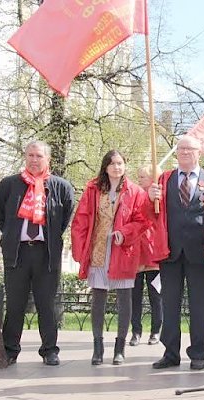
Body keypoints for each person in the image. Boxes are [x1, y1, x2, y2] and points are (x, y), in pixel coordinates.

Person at [0, 140, 74, 366]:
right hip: (17, 254)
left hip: (45, 254)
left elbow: (64, 218)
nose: (34, 160)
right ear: (25, 157)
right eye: (30, 155)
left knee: (46, 304)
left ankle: (49, 350)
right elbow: (1, 215)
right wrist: (12, 236)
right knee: (15, 304)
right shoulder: (9, 185)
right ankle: (10, 350)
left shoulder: (61, 186)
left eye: (39, 156)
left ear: (47, 159)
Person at [71, 150, 150, 366]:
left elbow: (142, 220)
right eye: (113, 163)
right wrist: (79, 249)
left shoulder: (135, 192)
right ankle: (97, 347)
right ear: (105, 166)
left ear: (125, 166)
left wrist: (124, 233)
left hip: (123, 250)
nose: (117, 167)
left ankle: (120, 348)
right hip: (98, 249)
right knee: (98, 299)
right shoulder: (92, 189)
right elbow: (81, 220)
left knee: (125, 299)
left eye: (121, 163)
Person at [147, 136, 204, 371]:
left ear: (199, 152)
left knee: (199, 305)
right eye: (181, 148)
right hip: (170, 250)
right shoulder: (164, 179)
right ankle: (170, 352)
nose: (184, 152)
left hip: (201, 251)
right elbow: (151, 213)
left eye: (189, 148)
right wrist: (150, 197)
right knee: (170, 303)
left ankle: (198, 352)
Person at [129, 164, 163, 347]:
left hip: (153, 253)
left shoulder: (160, 196)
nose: (139, 179)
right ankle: (135, 331)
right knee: (134, 296)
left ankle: (156, 330)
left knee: (155, 296)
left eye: (143, 176)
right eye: (139, 176)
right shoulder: (133, 195)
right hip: (136, 252)